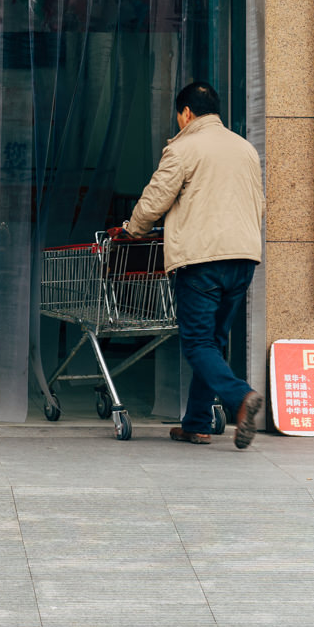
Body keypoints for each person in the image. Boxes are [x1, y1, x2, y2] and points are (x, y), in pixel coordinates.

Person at [124, 81, 266, 449]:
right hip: (243, 257)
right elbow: (259, 204)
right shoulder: (245, 149)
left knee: (199, 342)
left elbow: (155, 199)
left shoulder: (184, 147)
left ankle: (240, 400)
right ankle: (197, 423)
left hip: (202, 260)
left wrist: (133, 229)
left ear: (186, 113)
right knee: (214, 342)